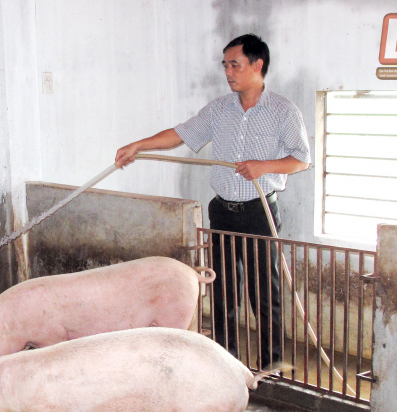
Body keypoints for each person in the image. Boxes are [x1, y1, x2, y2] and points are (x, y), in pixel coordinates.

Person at [114, 34, 310, 369]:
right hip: (222, 211)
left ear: (257, 65)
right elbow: (181, 133)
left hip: (260, 211)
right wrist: (138, 145)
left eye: (235, 64)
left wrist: (264, 166)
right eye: (225, 65)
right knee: (223, 290)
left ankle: (271, 367)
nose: (228, 72)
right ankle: (225, 363)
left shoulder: (283, 111)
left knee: (265, 292)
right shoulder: (220, 109)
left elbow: (301, 159)